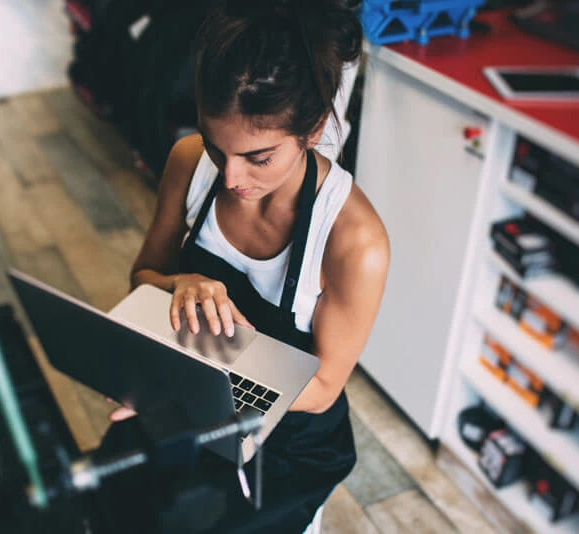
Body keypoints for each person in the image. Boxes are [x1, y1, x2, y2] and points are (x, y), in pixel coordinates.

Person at [105, 0, 389, 531]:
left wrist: (194, 386)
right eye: (217, 146)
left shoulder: (354, 240)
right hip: (192, 399)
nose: (232, 177)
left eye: (259, 158)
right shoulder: (190, 162)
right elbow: (143, 276)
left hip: (286, 443)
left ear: (315, 127)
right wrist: (179, 283)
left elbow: (324, 385)